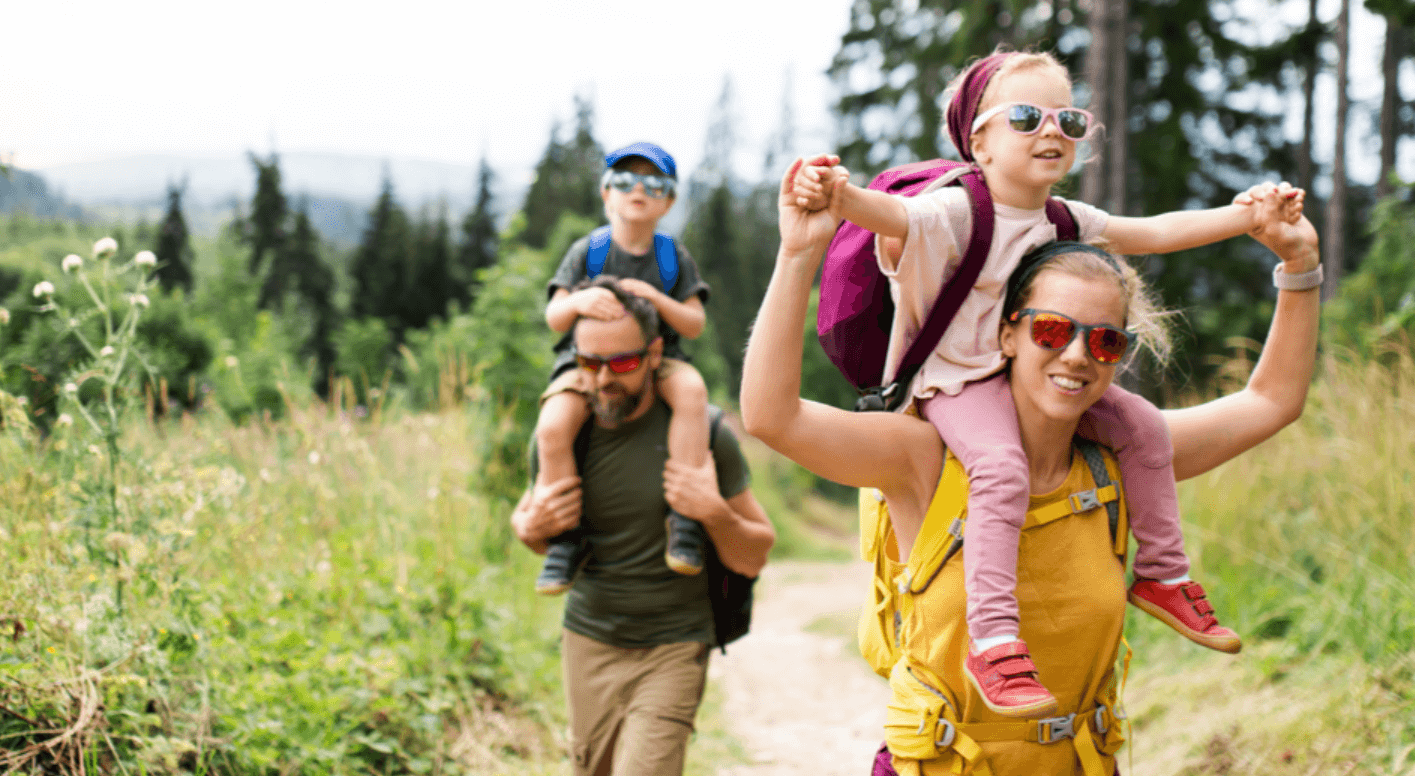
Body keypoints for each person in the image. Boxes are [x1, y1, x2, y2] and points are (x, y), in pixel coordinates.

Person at [742, 155, 1320, 774]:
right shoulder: (925, 457)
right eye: (1051, 330)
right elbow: (772, 417)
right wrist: (799, 253)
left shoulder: (1123, 462)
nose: (1076, 356)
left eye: (1105, 341)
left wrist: (1300, 266)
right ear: (1007, 334)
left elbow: (1271, 401)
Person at [791, 49, 1305, 715]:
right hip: (956, 386)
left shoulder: (1061, 220)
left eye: (1070, 118)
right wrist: (834, 195)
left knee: (1144, 425)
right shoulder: (954, 211)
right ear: (979, 138)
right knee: (1001, 467)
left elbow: (1149, 234)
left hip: (1018, 377)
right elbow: (890, 217)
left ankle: (1160, 575)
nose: (1053, 131)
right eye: (1028, 117)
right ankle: (995, 638)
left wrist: (1249, 219)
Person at [512, 276, 776, 776]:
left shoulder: (707, 437)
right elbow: (530, 523)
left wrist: (713, 511)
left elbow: (755, 553)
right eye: (589, 364)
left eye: (624, 362)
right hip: (588, 639)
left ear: (655, 354)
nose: (604, 379)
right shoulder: (564, 434)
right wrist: (529, 529)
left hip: (674, 644)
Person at [535, 142, 716, 594]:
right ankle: (564, 536)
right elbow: (554, 316)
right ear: (606, 194)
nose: (639, 190)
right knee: (554, 427)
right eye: (625, 181)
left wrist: (656, 299)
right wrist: (577, 300)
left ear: (669, 201)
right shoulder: (589, 251)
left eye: (654, 183)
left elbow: (694, 323)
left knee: (693, 395)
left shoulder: (672, 256)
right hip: (588, 362)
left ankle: (684, 519)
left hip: (660, 357)